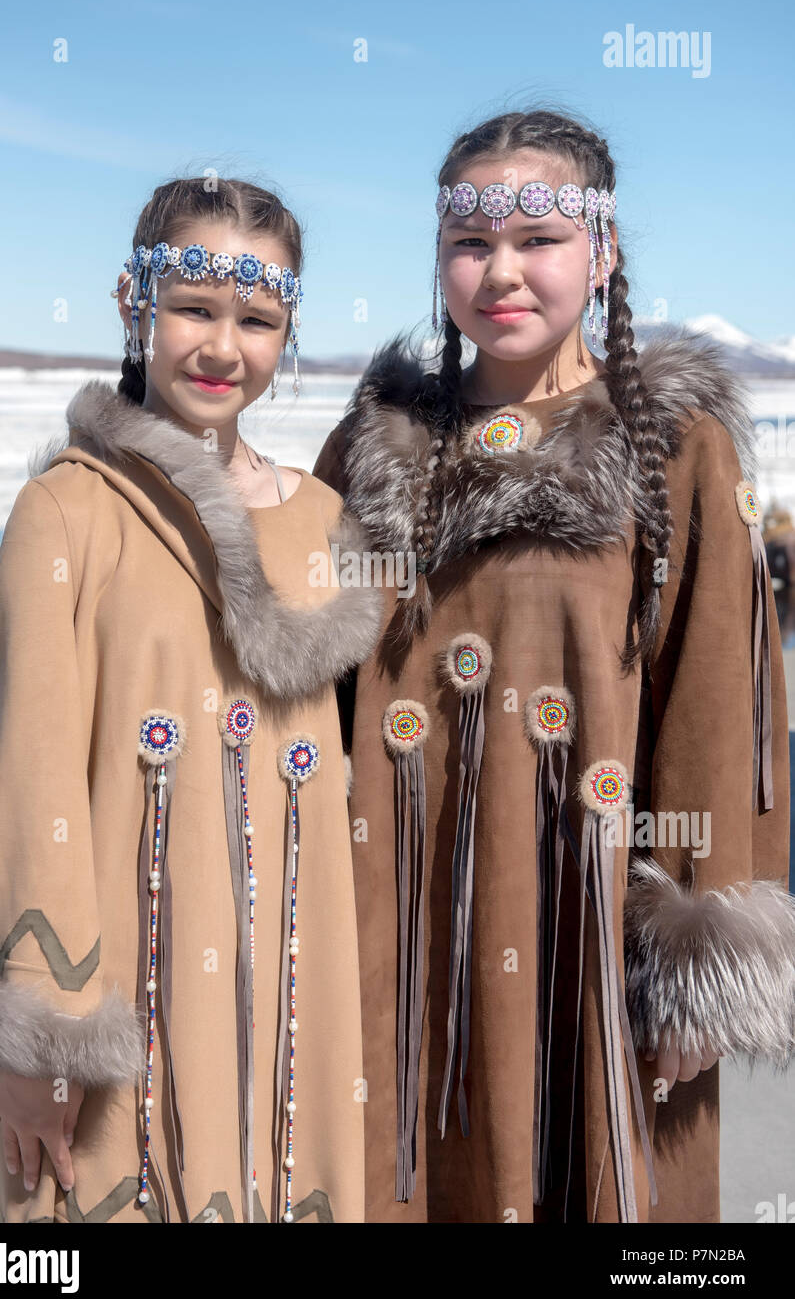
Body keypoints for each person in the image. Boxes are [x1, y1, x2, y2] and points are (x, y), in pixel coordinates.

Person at [312, 108, 794, 1224]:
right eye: (471, 242)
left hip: (588, 910)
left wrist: (698, 948)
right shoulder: (376, 443)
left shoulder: (672, 442)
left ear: (604, 252)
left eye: (539, 237)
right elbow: (308, 685)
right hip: (402, 914)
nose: (502, 271)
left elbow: (717, 707)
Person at [0, 176, 383, 1224]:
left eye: (257, 319)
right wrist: (37, 1035)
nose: (223, 346)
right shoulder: (69, 510)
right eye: (195, 308)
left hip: (295, 990)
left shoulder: (324, 520)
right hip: (125, 978)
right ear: (134, 303)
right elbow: (34, 778)